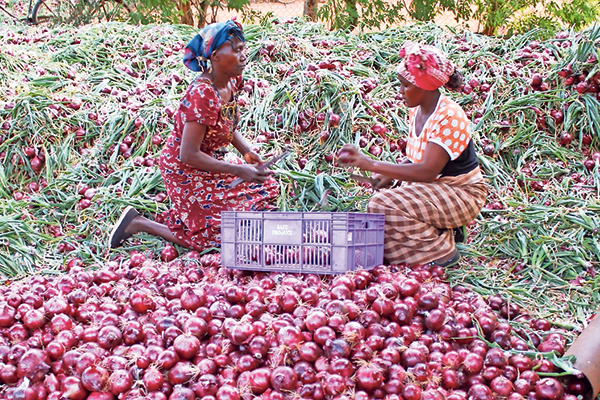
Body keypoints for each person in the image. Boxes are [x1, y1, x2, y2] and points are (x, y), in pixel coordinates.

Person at [109, 19, 279, 251]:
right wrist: (239, 169)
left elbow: (227, 122)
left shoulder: (232, 81)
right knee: (216, 238)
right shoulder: (203, 94)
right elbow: (188, 154)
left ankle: (191, 214)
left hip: (210, 164)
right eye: (236, 50)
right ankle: (139, 223)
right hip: (185, 169)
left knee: (265, 188)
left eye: (243, 49)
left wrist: (247, 152)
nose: (243, 55)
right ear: (216, 56)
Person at [338, 42, 487, 267]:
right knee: (377, 212)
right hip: (437, 188)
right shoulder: (417, 111)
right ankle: (441, 231)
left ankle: (442, 252)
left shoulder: (449, 116)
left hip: (461, 194)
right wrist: (392, 175)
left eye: (405, 85)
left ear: (425, 86)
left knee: (383, 206)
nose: (400, 92)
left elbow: (427, 170)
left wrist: (372, 164)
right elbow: (417, 159)